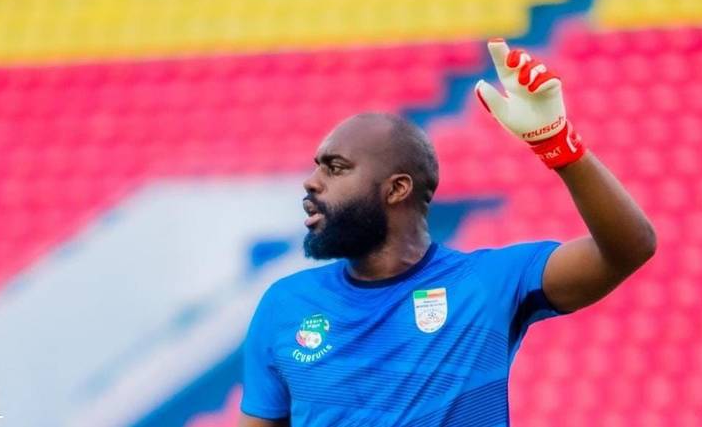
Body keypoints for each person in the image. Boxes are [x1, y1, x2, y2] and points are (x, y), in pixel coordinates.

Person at [239, 39, 657, 426]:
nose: (311, 182)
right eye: (316, 167)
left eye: (335, 168)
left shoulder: (489, 283)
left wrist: (560, 148)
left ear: (397, 189)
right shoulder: (285, 304)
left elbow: (630, 248)